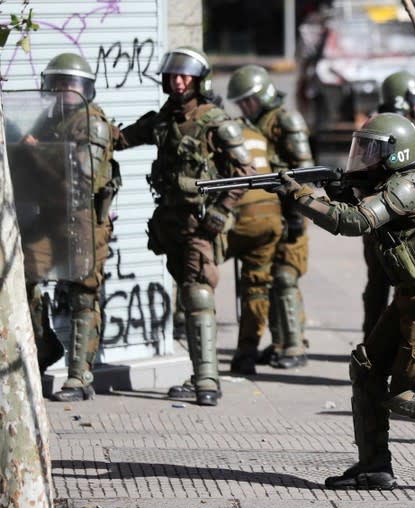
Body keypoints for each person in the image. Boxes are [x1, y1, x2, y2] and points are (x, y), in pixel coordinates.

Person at [274, 113, 415, 489]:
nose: (363, 156)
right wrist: (338, 190)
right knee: (366, 369)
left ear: (397, 154)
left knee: (408, 392)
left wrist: (302, 197)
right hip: (412, 296)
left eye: (372, 150)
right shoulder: (395, 181)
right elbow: (365, 209)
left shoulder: (412, 184)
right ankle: (373, 466)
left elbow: (355, 222)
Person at [114, 47, 255, 406]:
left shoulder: (215, 121)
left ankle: (207, 380)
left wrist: (221, 211)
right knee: (187, 291)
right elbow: (121, 139)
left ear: (197, 81)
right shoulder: (163, 120)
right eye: (173, 76)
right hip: (170, 222)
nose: (178, 82)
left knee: (197, 292)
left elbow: (245, 171)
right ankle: (201, 377)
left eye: (185, 76)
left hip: (200, 223)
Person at [16, 53, 120, 401]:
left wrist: (39, 151)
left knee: (83, 294)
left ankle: (80, 376)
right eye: (58, 85)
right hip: (48, 218)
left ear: (84, 89)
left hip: (84, 222)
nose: (63, 92)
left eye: (70, 85)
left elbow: (83, 175)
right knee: (22, 278)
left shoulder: (92, 123)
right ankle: (45, 347)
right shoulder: (47, 123)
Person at [226, 64, 315, 369]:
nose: (243, 108)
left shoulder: (285, 120)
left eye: (246, 101)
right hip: (267, 214)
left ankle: (294, 346)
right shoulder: (253, 124)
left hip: (291, 212)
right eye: (240, 103)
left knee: (285, 277)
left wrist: (296, 214)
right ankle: (278, 344)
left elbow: (306, 172)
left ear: (261, 95)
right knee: (267, 279)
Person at [360, 70, 415, 343]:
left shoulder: (401, 125)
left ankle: (390, 342)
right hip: (383, 217)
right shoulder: (383, 128)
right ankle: (376, 343)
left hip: (400, 217)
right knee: (384, 284)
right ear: (401, 99)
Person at [224, 119, 284, 375]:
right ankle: (247, 353)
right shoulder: (257, 134)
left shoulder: (219, 133)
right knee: (257, 285)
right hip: (270, 217)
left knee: (197, 276)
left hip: (239, 218)